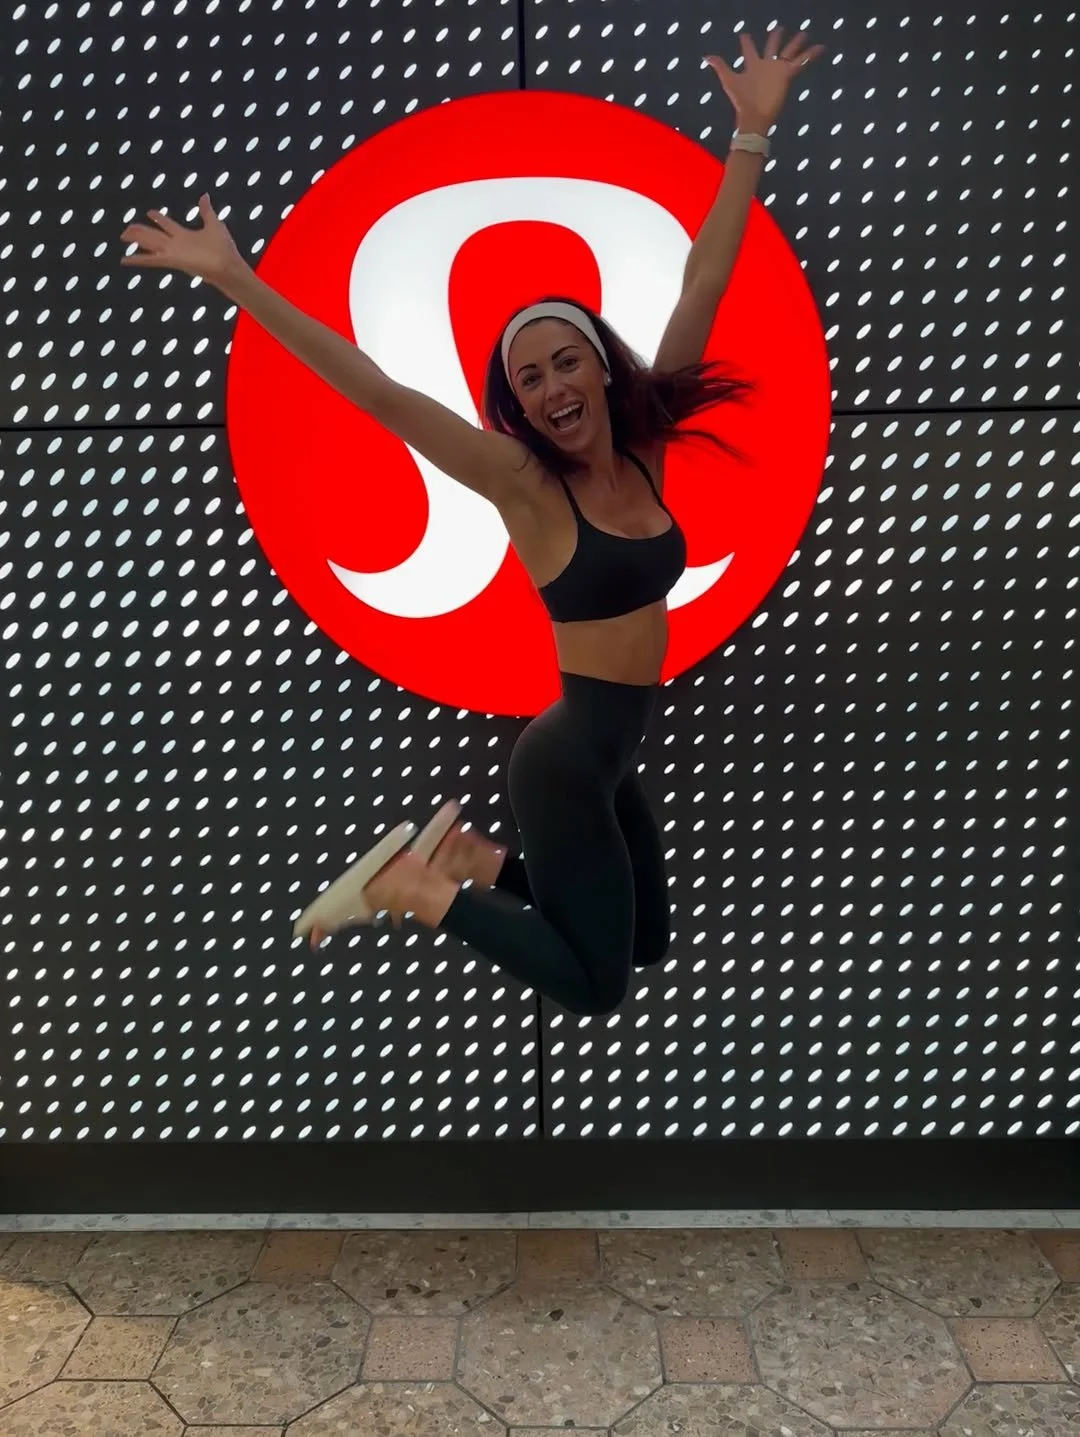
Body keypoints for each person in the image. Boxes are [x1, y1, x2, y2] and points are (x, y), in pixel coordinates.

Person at [120, 29, 823, 1015]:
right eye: (527, 380)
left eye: (564, 362)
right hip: (569, 759)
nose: (549, 388)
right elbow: (378, 390)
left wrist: (750, 134)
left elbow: (703, 280)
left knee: (648, 939)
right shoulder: (524, 485)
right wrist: (237, 279)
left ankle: (472, 861)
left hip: (611, 749)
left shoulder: (643, 451)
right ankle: (419, 889)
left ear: (600, 365)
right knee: (597, 987)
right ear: (518, 407)